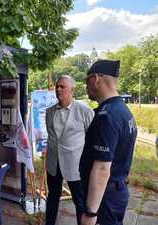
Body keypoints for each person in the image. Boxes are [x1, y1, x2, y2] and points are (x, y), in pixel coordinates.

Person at [79, 60, 137, 225]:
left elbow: (102, 168)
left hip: (104, 198)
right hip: (116, 191)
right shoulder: (122, 110)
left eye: (87, 80)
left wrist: (91, 213)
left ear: (96, 79)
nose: (86, 86)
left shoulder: (107, 116)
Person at [45, 75, 94, 225]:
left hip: (76, 165)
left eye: (62, 86)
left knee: (79, 201)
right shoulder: (49, 112)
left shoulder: (85, 111)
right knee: (52, 197)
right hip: (54, 163)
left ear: (72, 89)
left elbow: (92, 139)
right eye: (57, 86)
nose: (58, 89)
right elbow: (52, 137)